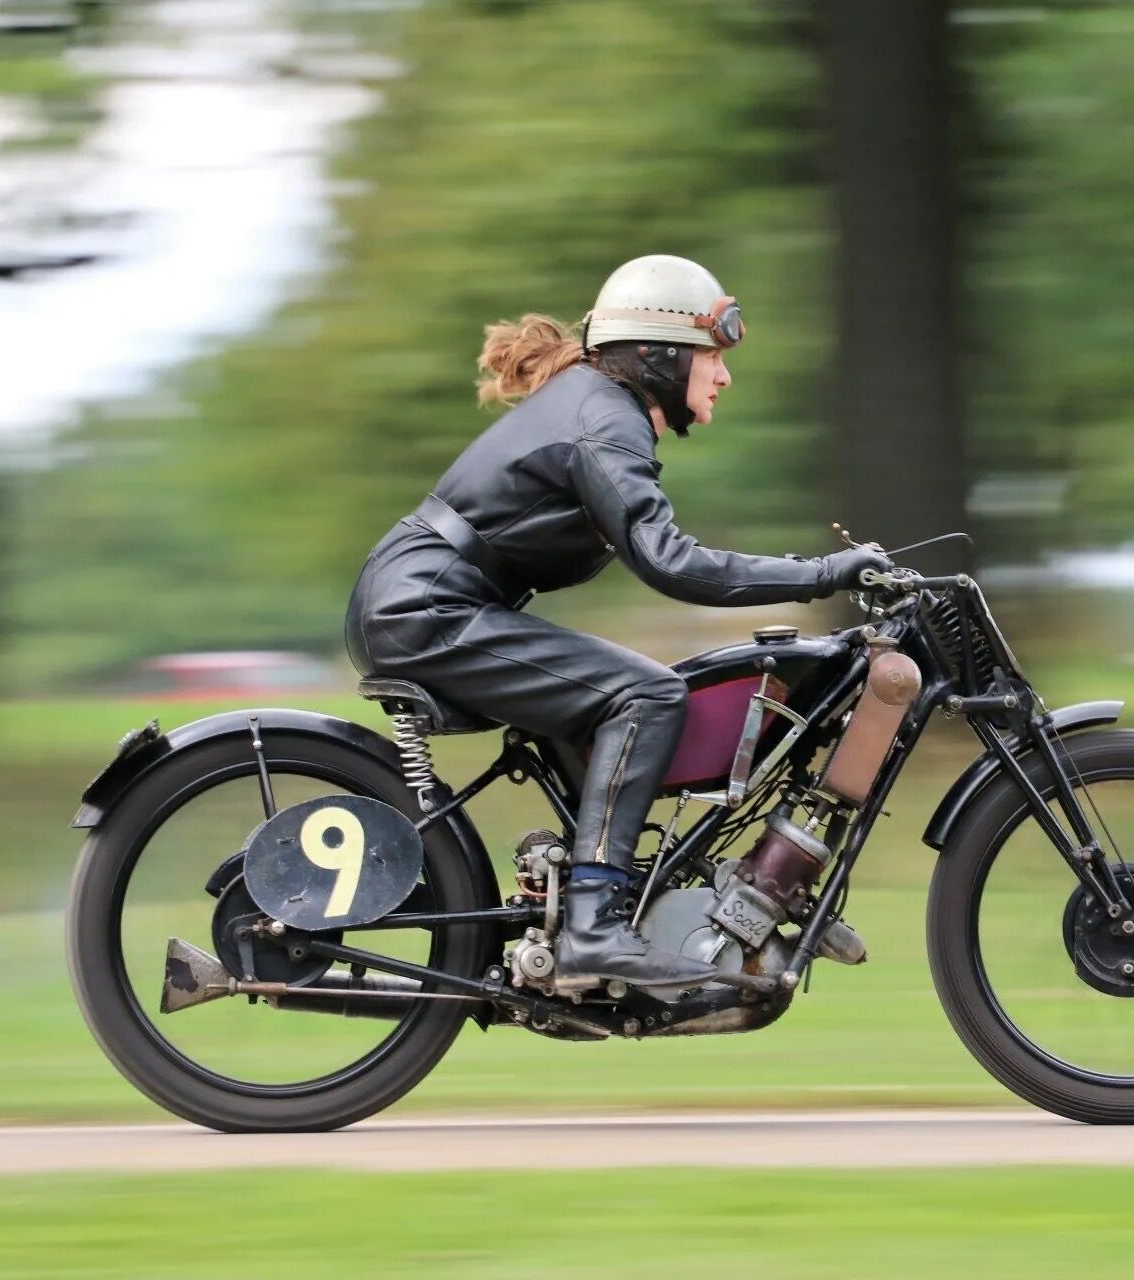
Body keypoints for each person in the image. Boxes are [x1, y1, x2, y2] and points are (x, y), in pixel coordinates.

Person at [344, 255, 890, 987]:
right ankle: (595, 926)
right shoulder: (605, 420)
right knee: (648, 694)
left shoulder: (600, 407)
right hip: (427, 612)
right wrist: (821, 573)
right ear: (661, 356)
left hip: (423, 604)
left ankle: (605, 894)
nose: (724, 377)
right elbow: (673, 564)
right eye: (712, 357)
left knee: (623, 690)